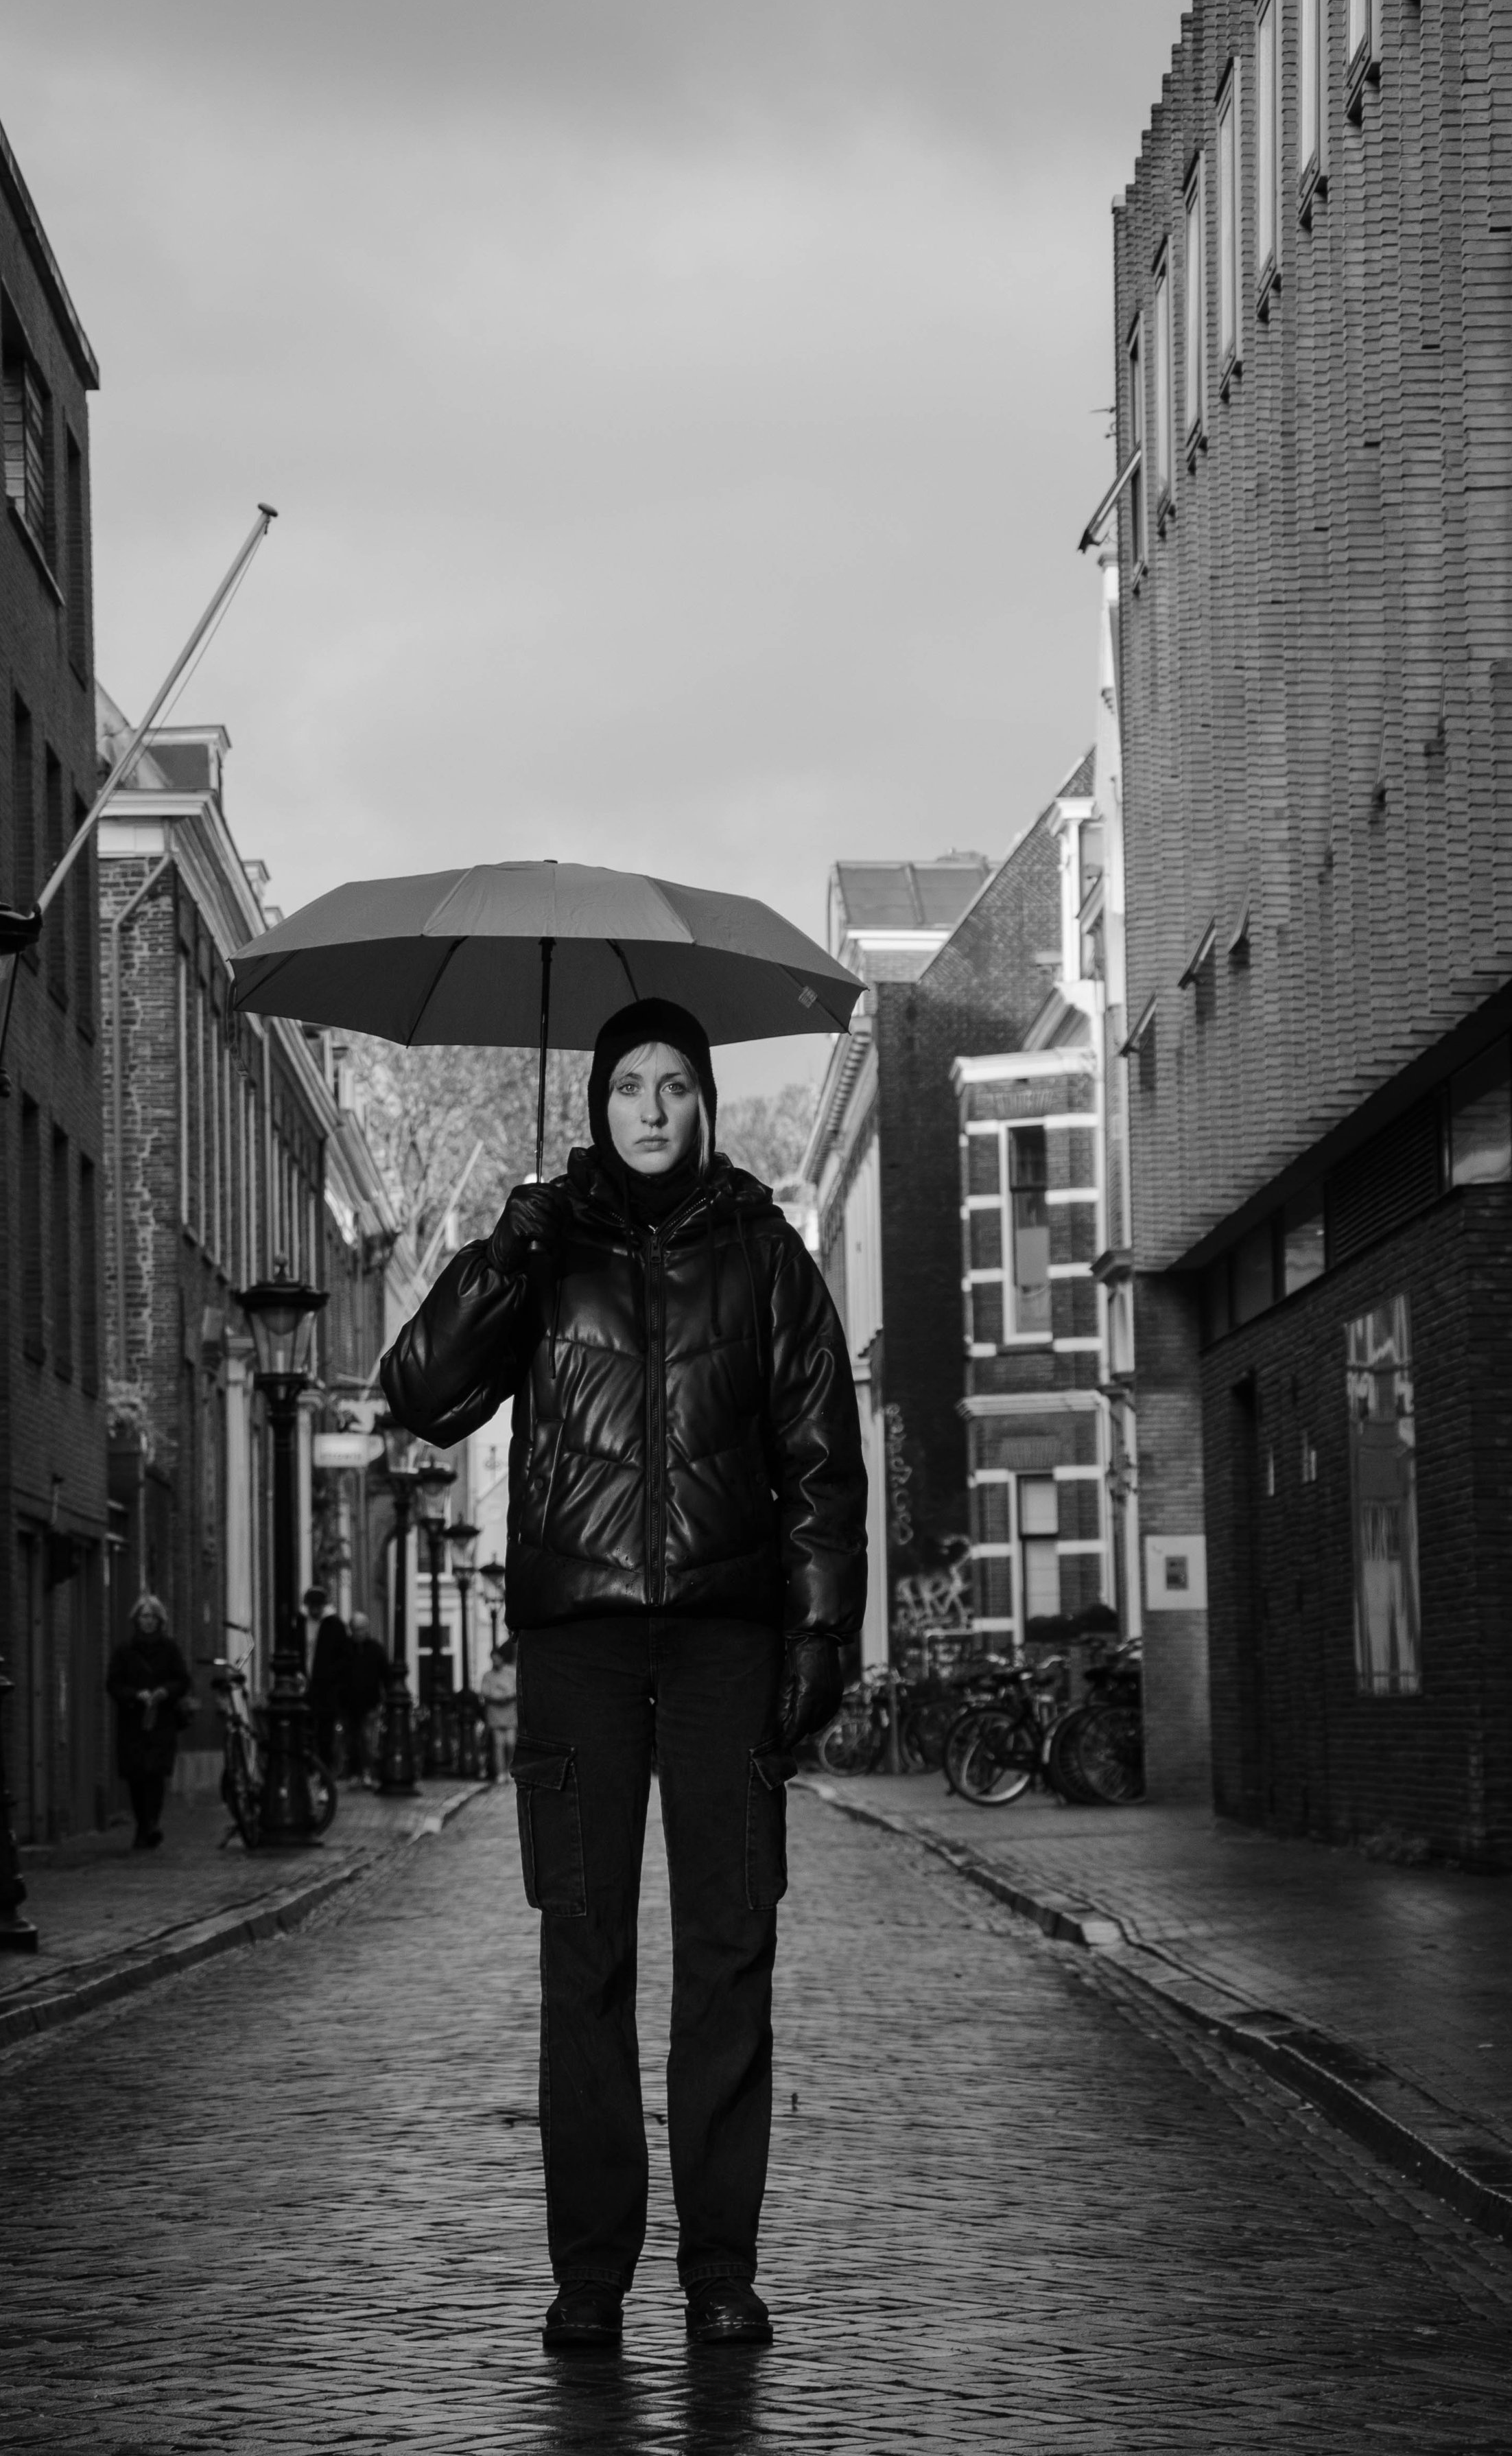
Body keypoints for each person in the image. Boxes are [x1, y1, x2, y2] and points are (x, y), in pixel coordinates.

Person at [382, 996, 865, 2354]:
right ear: (597, 1106)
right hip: (577, 1646)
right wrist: (501, 1255)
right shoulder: (546, 1252)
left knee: (728, 1952)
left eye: (672, 1085)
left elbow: (822, 1456)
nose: (649, 1108)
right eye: (626, 1088)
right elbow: (420, 1393)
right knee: (581, 1953)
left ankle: (719, 2272)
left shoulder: (766, 1254)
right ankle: (589, 2277)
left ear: (702, 1101)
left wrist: (819, 1633)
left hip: (724, 1639)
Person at [105, 1594, 193, 1849]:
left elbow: (182, 1680)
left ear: (160, 1620)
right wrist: (135, 1695)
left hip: (161, 1721)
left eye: (153, 1617)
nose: (149, 1621)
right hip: (133, 1722)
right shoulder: (124, 1652)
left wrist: (165, 1692)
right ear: (137, 1620)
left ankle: (152, 1823)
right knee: (136, 1775)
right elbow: (113, 1684)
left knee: (155, 1774)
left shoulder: (170, 1649)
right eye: (144, 1616)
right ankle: (143, 1824)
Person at [305, 1589, 351, 1772]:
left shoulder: (335, 1626)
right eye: (311, 1607)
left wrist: (331, 1677)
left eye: (317, 1607)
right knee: (306, 1730)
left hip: (326, 1691)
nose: (314, 1611)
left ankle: (324, 1771)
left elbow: (344, 1658)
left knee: (325, 1733)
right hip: (305, 1687)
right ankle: (309, 1769)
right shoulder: (302, 1623)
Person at [344, 1615, 391, 1786]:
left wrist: (387, 1696)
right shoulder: (346, 1649)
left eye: (362, 1629)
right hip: (350, 1704)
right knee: (352, 1740)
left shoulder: (375, 1649)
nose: (359, 1633)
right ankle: (356, 1773)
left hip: (370, 1703)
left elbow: (385, 1674)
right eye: (356, 1629)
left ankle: (368, 1772)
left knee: (368, 1739)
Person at [480, 1636, 519, 1782]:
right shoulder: (488, 1676)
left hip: (509, 1715)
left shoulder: (510, 1673)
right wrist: (501, 1695)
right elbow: (486, 1692)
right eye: (493, 1659)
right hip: (495, 1716)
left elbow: (515, 1690)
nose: (495, 1661)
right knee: (498, 1745)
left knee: (510, 1744)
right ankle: (500, 1772)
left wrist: (502, 1695)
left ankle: (510, 1770)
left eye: (497, 1658)